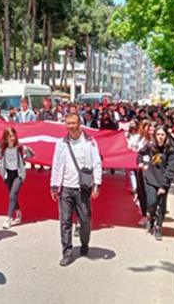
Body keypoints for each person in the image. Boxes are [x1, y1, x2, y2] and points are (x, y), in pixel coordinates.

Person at [50, 113, 102, 266]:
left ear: (80, 124)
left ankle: (84, 242)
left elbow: (97, 163)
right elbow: (56, 164)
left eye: (74, 123)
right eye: (68, 123)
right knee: (65, 222)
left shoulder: (89, 142)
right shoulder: (61, 143)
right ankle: (67, 252)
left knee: (85, 220)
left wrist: (97, 184)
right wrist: (54, 186)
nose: (71, 126)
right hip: (65, 188)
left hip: (83, 188)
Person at [138, 125, 174, 241]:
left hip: (163, 181)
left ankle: (158, 227)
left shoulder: (171, 149)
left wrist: (164, 186)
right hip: (150, 178)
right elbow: (140, 153)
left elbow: (171, 169)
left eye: (162, 135)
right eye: (158, 135)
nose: (160, 137)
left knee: (161, 204)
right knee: (151, 203)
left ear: (166, 136)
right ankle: (151, 218)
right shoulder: (150, 146)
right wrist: (141, 163)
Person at [0, 127, 35, 230]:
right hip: (7, 174)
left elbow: (31, 154)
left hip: (18, 174)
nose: (13, 138)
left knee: (13, 194)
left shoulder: (20, 147)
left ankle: (9, 218)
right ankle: (18, 212)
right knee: (12, 195)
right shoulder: (3, 148)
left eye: (14, 136)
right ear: (6, 138)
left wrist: (23, 159)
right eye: (10, 136)